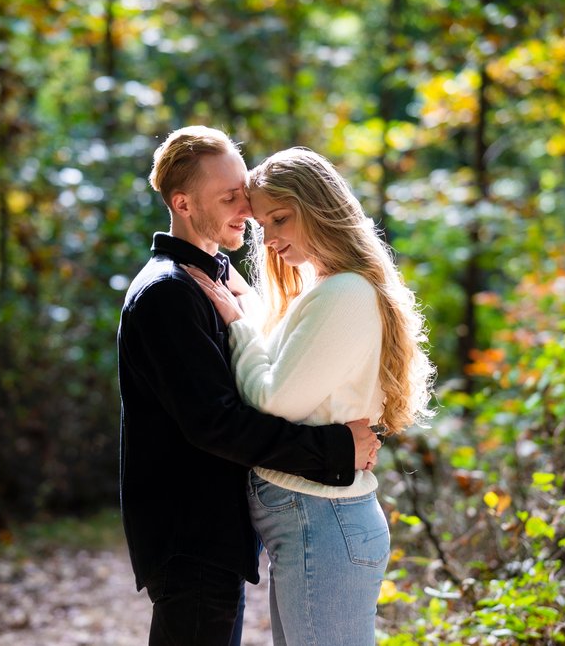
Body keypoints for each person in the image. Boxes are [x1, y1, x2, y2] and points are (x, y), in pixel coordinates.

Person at [117, 127, 382, 646]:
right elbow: (215, 422)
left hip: (217, 531)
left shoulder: (214, 281)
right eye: (229, 197)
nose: (247, 208)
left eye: (245, 192)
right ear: (183, 203)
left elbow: (276, 366)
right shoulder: (168, 292)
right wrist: (334, 450)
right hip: (190, 534)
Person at [186, 147, 435, 645]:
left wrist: (236, 323)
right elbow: (283, 361)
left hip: (322, 519)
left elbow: (274, 399)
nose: (271, 238)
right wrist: (248, 302)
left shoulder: (344, 293)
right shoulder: (324, 289)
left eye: (281, 218)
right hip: (316, 520)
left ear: (320, 206)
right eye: (262, 226)